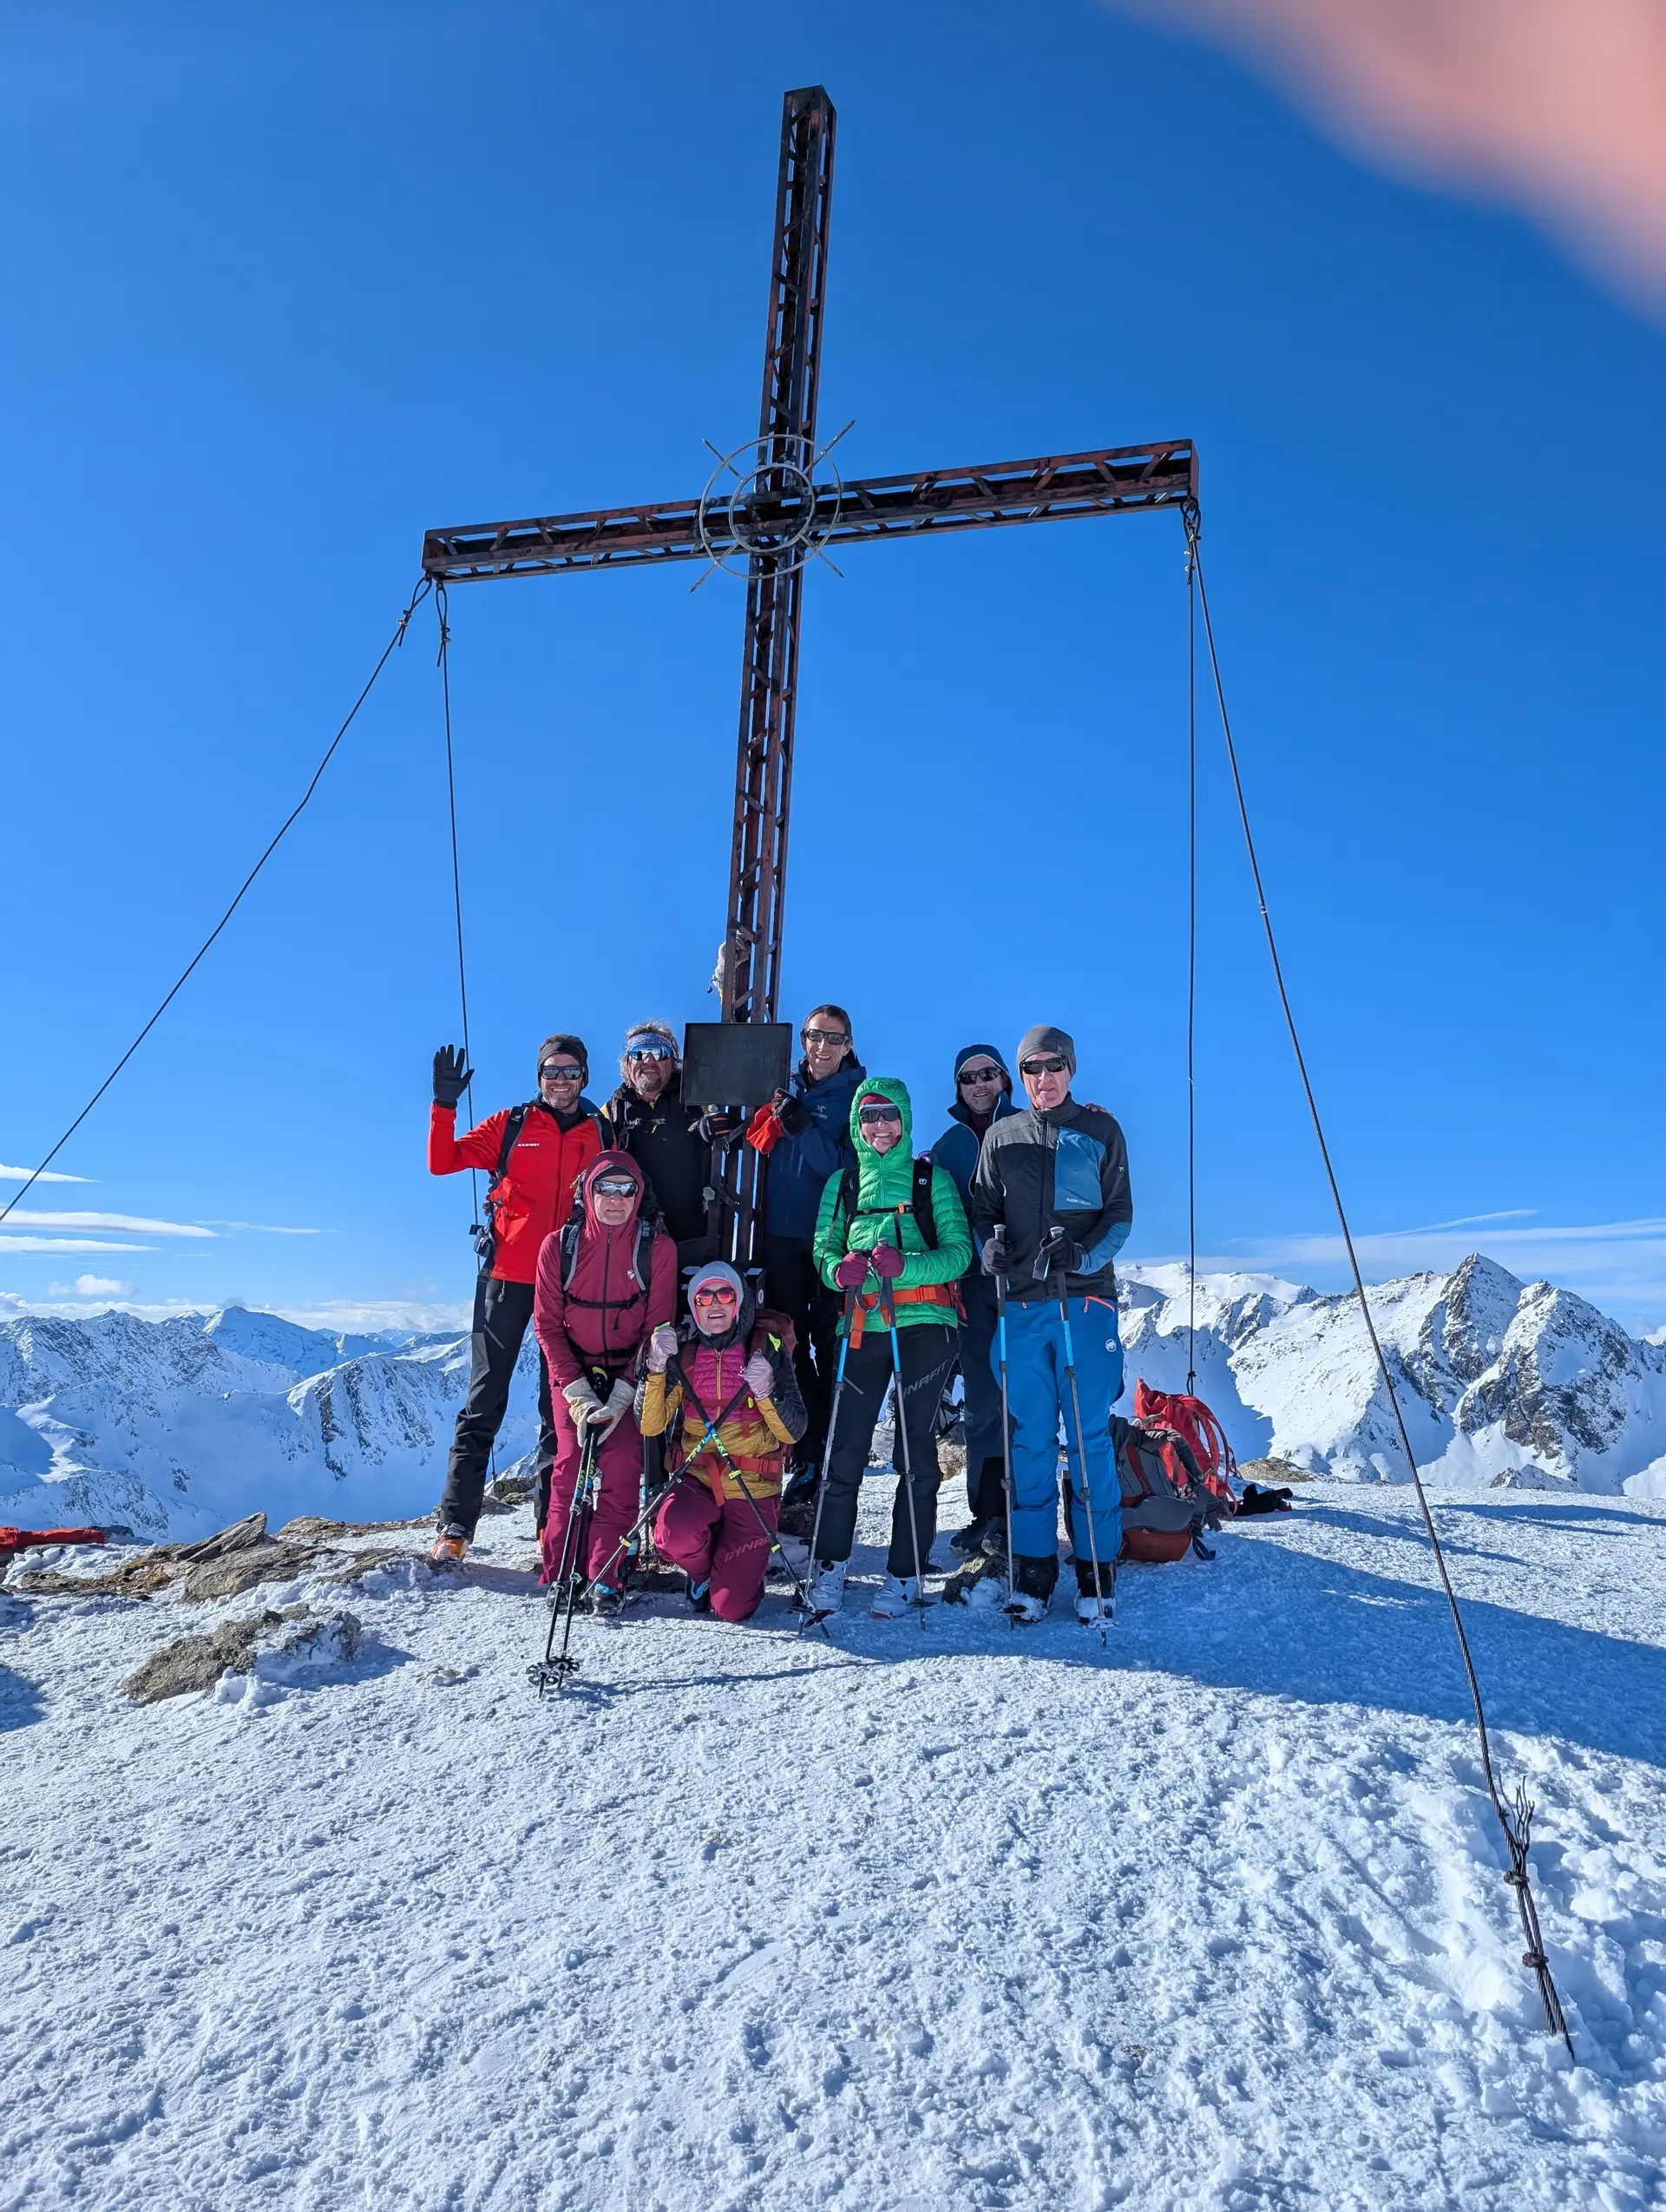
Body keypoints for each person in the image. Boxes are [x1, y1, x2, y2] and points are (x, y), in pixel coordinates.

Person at [969, 1025, 1131, 1625]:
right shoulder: (1003, 1136)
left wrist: (1083, 1255)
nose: (1044, 1077)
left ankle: (1096, 1568)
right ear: (1022, 1074)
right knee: (1029, 1440)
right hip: (1022, 1306)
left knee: (1088, 1439)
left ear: (1071, 1066)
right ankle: (1035, 1566)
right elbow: (985, 1207)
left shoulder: (1099, 1131)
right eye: (1032, 1067)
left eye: (1054, 1065)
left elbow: (1119, 1213)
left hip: (1085, 1303)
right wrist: (991, 1245)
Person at [429, 1034, 606, 1562]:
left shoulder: (602, 1132)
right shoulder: (511, 1125)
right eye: (552, 1071)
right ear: (538, 1076)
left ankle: (549, 1529)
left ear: (585, 1077)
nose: (561, 1080)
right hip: (506, 1276)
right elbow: (443, 1161)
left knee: (561, 1409)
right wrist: (443, 1105)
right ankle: (455, 1529)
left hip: (571, 1283)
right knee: (484, 1401)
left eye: (571, 1072)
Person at [803, 1078, 970, 1618]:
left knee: (916, 1449)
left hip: (926, 1325)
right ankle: (829, 1566)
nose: (880, 1126)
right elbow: (823, 1251)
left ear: (904, 1119)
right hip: (862, 1325)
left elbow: (960, 1253)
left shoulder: (931, 1181)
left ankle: (906, 1572)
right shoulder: (843, 1185)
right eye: (869, 1116)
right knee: (843, 1448)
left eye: (889, 1115)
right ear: (856, 1124)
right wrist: (838, 1270)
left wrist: (908, 1267)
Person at [533, 1150, 678, 1611]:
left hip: (629, 1374)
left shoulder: (658, 1249)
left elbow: (657, 1330)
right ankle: (560, 1574)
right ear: (587, 1191)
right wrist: (577, 1397)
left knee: (620, 1467)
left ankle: (606, 1574)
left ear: (639, 1195)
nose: (616, 1199)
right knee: (570, 1466)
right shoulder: (558, 1247)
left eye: (626, 1189)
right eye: (605, 1188)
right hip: (572, 1371)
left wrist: (619, 1400)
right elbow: (548, 1326)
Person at [744, 1003, 866, 1524]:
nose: (822, 1047)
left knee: (829, 1343)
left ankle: (828, 1457)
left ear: (847, 1045)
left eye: (833, 1039)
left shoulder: (858, 1098)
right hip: (779, 1239)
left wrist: (801, 1127)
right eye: (815, 1036)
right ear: (804, 1041)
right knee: (785, 1345)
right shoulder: (780, 1088)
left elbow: (849, 1169)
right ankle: (805, 1452)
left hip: (830, 1239)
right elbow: (754, 1142)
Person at [640, 1262, 807, 1623]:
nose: (714, 1304)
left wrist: (766, 1393)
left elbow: (793, 1431)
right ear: (693, 1305)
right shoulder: (683, 1354)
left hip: (754, 1486)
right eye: (704, 1296)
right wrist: (654, 1368)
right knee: (671, 1534)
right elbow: (650, 1424)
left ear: (738, 1302)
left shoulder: (765, 1350)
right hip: (698, 1478)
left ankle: (733, 1572)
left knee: (732, 1609)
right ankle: (703, 1575)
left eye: (725, 1294)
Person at [928, 1045, 1019, 1556]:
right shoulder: (949, 1147)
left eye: (988, 1075)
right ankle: (987, 1513)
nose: (980, 1085)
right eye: (969, 1079)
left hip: (1026, 1285)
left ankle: (1023, 1510)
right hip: (972, 1285)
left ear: (1004, 1078)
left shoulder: (1032, 1126)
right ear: (959, 1087)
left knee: (1024, 1400)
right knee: (985, 1401)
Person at [600, 1021, 739, 1273]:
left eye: (659, 1053)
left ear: (672, 1061)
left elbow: (736, 1132)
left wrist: (710, 1129)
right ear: (627, 1063)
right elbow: (595, 1165)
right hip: (634, 1236)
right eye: (639, 1053)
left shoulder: (696, 1098)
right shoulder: (612, 1110)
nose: (649, 1061)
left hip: (696, 1233)